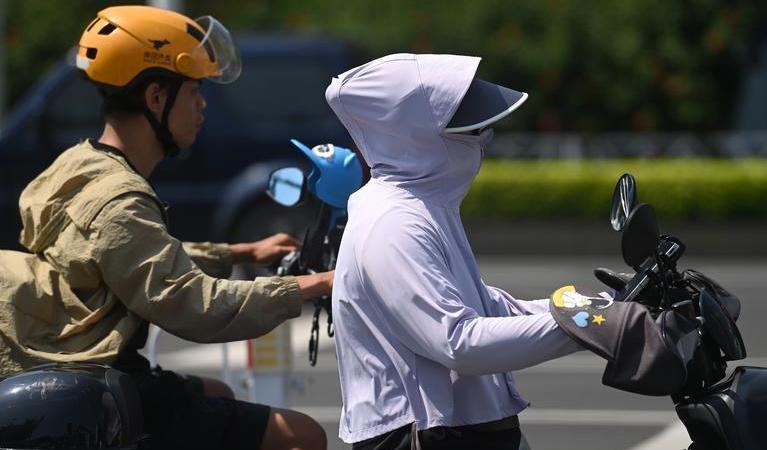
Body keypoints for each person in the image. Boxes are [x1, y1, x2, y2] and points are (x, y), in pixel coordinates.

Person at [0, 5, 328, 450]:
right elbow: (193, 306)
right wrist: (314, 285)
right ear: (156, 98)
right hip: (101, 370)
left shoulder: (79, 163)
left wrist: (240, 254)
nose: (203, 104)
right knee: (303, 436)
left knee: (219, 392)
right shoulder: (120, 199)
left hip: (78, 354)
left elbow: (124, 257)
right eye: (194, 91)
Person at [326, 53, 585, 449]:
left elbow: (490, 307)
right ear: (413, 136)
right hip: (422, 434)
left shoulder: (423, 205)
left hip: (457, 428)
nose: (482, 137)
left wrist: (601, 306)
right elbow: (459, 341)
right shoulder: (393, 223)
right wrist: (587, 326)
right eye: (466, 127)